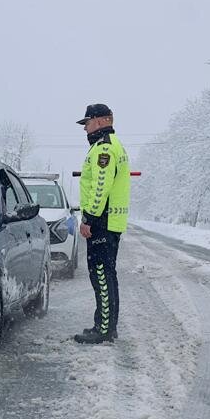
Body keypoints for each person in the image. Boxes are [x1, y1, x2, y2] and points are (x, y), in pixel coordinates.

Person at [73, 103, 130, 344]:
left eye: (86, 123)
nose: (85, 129)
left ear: (100, 121)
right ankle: (107, 325)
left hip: (102, 222)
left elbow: (100, 188)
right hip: (110, 221)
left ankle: (104, 329)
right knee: (107, 274)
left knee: (101, 275)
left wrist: (89, 220)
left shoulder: (103, 149)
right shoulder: (113, 145)